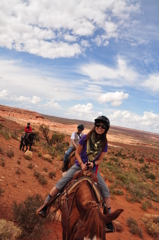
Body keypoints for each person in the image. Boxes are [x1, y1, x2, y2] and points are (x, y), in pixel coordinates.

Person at [36, 116, 114, 232]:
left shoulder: (104, 143)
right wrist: (82, 164)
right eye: (98, 125)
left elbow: (100, 160)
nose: (100, 127)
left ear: (106, 129)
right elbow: (77, 153)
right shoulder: (86, 138)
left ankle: (108, 220)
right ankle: (45, 206)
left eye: (103, 126)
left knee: (105, 191)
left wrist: (93, 163)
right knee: (62, 182)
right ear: (95, 125)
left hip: (92, 169)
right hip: (79, 165)